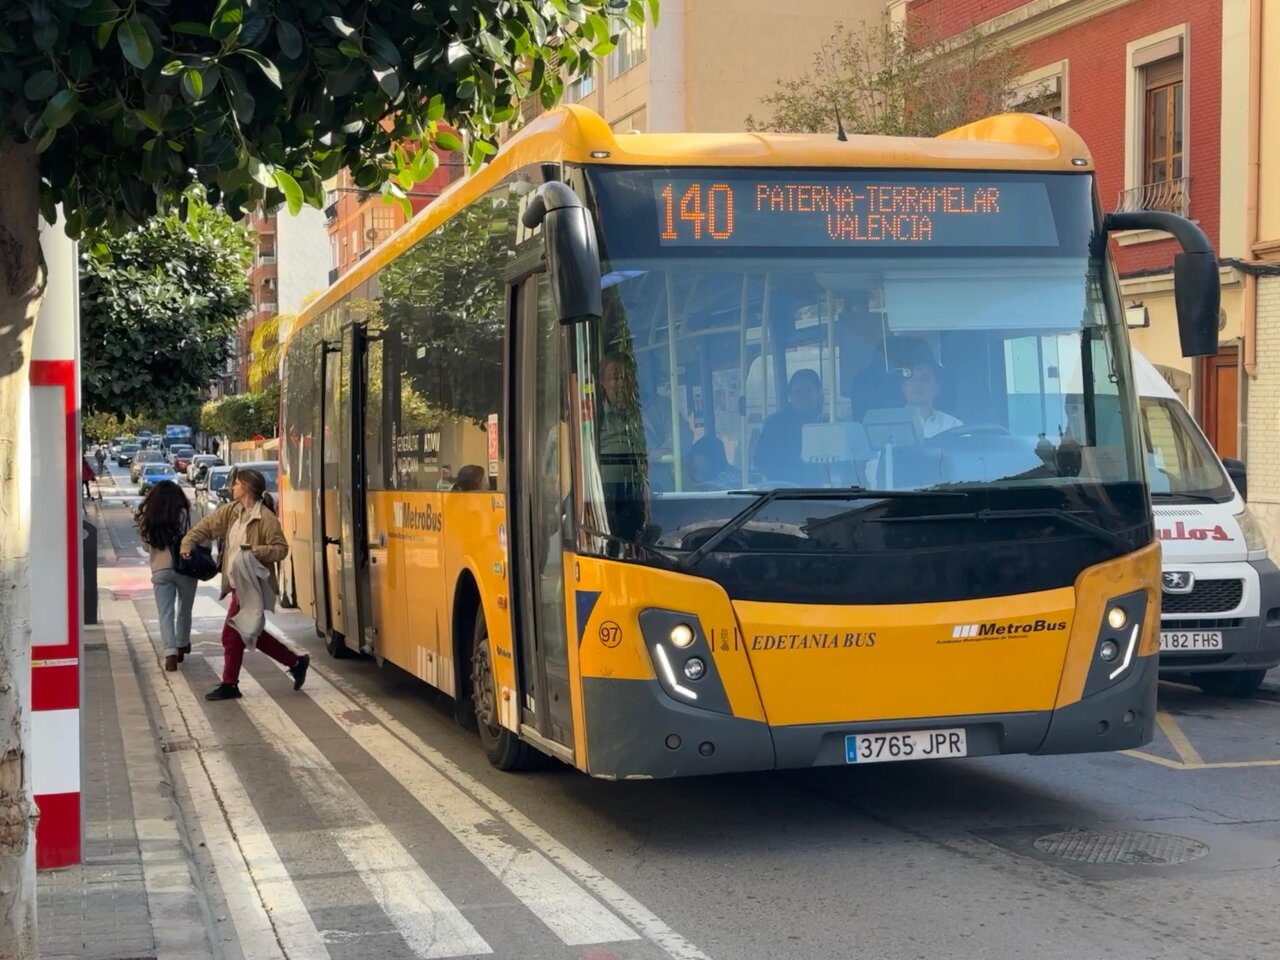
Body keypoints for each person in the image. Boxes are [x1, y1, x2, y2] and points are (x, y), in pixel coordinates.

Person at [181, 467, 309, 701]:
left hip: (252, 584)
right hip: (237, 583)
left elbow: (281, 549)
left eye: (237, 484)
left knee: (232, 635)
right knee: (249, 632)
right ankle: (296, 661)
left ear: (248, 488)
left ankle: (230, 684)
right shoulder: (232, 511)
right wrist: (188, 542)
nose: (233, 488)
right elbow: (207, 526)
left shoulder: (266, 518)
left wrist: (258, 551)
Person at [136, 480, 197, 672]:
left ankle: (169, 653)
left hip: (160, 570)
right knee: (185, 609)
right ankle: (182, 644)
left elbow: (146, 546)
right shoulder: (187, 514)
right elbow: (202, 537)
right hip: (186, 568)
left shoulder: (149, 517)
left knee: (165, 613)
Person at [753, 368, 824, 481]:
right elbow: (761, 460)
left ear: (819, 393)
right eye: (797, 391)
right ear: (790, 394)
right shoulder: (774, 424)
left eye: (808, 391)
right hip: (783, 492)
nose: (803, 396)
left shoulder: (829, 422)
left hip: (828, 492)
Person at [900, 356, 962, 439]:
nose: (918, 384)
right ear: (903, 388)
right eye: (912, 379)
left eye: (925, 379)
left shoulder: (953, 426)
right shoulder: (889, 425)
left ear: (937, 388)